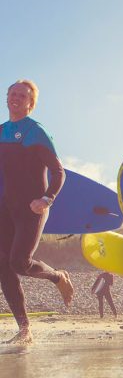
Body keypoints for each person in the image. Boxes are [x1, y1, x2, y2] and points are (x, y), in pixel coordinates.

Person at [0, 80, 74, 344]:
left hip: (33, 207)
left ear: (31, 103)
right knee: (3, 267)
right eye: (13, 94)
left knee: (19, 263)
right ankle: (24, 330)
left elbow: (58, 171)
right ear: (7, 98)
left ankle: (58, 276)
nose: (16, 98)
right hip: (6, 207)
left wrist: (47, 198)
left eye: (23, 95)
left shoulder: (36, 131)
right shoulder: (1, 131)